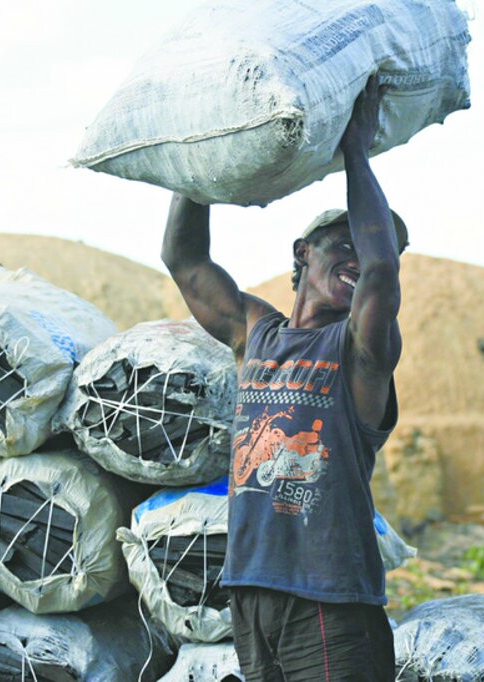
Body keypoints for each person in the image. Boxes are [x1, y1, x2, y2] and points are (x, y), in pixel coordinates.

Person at [161, 74, 406, 681]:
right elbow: (185, 261)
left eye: (370, 244)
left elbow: (380, 272)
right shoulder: (256, 333)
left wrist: (356, 151)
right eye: (338, 243)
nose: (358, 255)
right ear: (303, 253)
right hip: (251, 589)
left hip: (328, 594)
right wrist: (197, 167)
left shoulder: (359, 351)